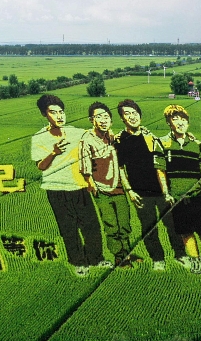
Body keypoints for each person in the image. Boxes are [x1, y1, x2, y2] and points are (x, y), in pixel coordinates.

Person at [31, 95, 108, 277]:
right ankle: (78, 263)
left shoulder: (76, 132)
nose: (59, 116)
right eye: (53, 112)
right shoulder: (39, 138)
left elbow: (98, 137)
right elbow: (40, 166)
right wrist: (54, 152)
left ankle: (96, 259)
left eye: (61, 112)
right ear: (44, 114)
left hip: (79, 187)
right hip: (56, 190)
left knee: (91, 226)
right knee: (68, 229)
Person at [115, 99, 187, 271]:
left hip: (161, 190)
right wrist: (130, 190)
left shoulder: (151, 137)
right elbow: (120, 168)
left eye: (134, 112)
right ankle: (158, 259)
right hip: (140, 192)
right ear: (122, 118)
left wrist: (167, 190)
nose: (132, 117)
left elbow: (162, 163)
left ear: (139, 114)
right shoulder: (120, 140)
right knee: (148, 228)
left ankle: (180, 255)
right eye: (127, 114)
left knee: (172, 224)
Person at [159, 104, 201, 274]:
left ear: (188, 122)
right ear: (168, 122)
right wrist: (166, 192)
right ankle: (196, 260)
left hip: (199, 195)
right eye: (175, 118)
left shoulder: (198, 145)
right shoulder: (163, 144)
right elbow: (161, 170)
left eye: (183, 119)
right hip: (178, 197)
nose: (180, 122)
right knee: (186, 232)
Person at [79, 102, 134, 268]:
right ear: (91, 120)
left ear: (111, 120)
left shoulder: (112, 138)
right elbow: (85, 166)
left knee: (124, 224)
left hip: (118, 187)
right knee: (111, 225)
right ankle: (120, 257)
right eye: (98, 117)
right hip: (101, 189)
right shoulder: (87, 140)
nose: (103, 120)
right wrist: (92, 185)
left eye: (106, 116)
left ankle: (126, 253)